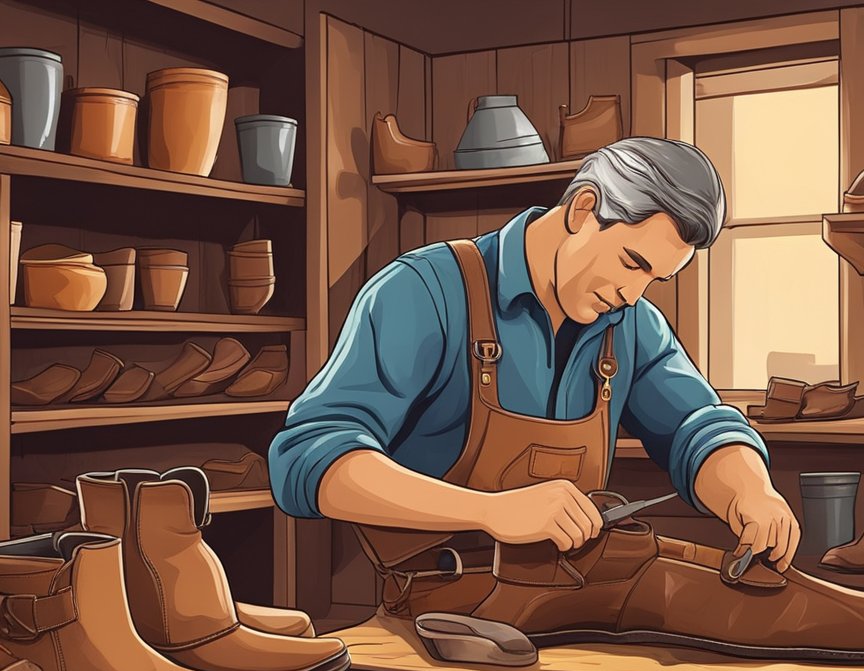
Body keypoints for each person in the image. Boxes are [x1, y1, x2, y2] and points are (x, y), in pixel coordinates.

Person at [269, 137, 801, 573]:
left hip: (571, 594)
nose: (634, 294)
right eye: (632, 263)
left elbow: (697, 425)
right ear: (584, 209)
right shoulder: (423, 292)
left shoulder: (630, 324)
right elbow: (310, 459)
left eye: (655, 280)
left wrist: (751, 492)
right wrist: (489, 512)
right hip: (437, 606)